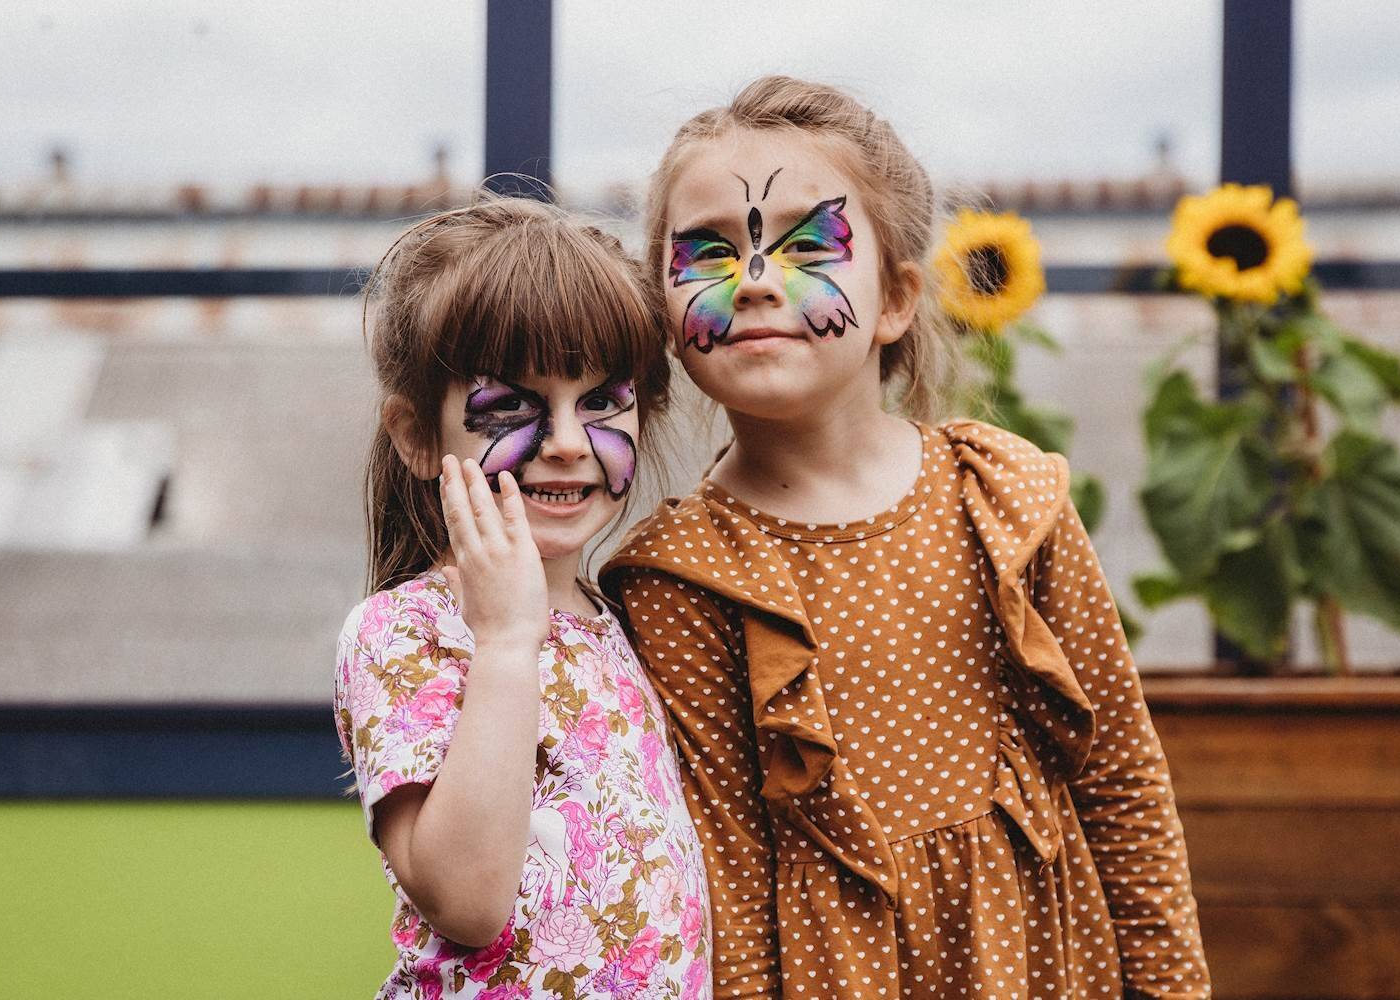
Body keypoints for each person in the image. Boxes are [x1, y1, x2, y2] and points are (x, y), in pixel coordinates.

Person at [602, 76, 1211, 998]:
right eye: (710, 251)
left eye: (808, 244)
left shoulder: (1006, 501)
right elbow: (725, 886)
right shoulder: (680, 578)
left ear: (895, 299)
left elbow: (1120, 780)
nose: (755, 279)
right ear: (665, 311)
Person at [333, 196, 712, 999]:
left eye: (602, 400)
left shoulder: (624, 623)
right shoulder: (406, 631)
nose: (568, 442)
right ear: (417, 436)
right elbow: (467, 901)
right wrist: (507, 640)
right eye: (510, 405)